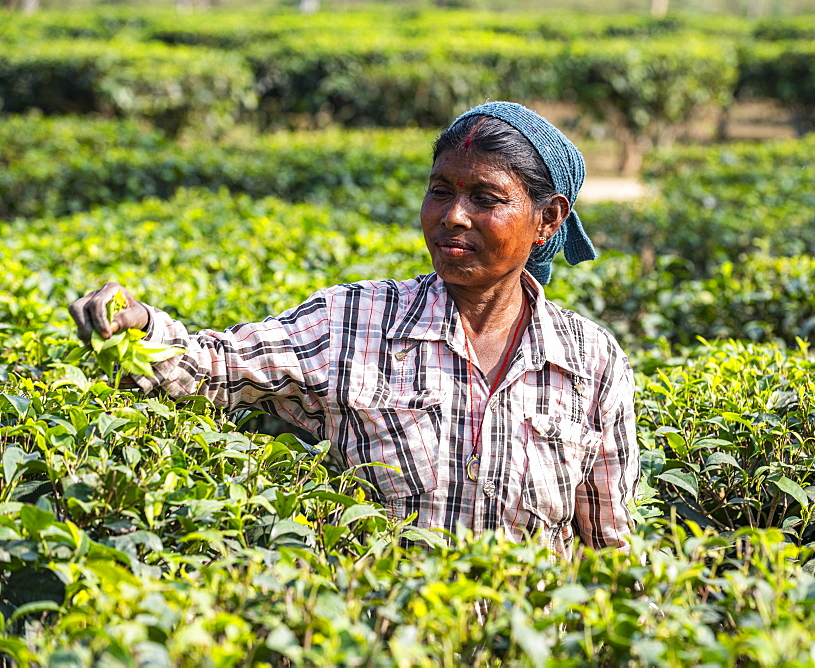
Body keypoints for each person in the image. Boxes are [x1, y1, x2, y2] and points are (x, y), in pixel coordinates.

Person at [69, 101, 639, 556]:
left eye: (485, 198)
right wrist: (139, 325)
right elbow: (214, 367)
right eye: (441, 191)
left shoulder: (590, 361)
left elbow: (609, 545)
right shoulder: (355, 322)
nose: (452, 215)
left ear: (549, 219)